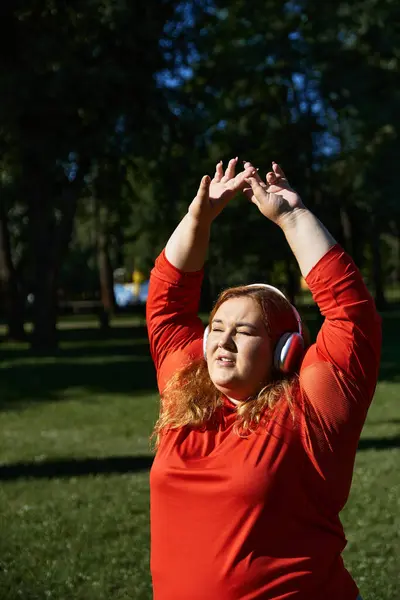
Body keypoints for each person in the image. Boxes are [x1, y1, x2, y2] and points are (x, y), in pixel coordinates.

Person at [146, 157, 381, 600]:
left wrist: (292, 217)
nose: (222, 341)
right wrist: (199, 217)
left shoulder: (310, 413)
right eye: (215, 327)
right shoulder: (184, 397)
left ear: (283, 349)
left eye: (244, 330)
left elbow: (352, 315)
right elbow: (167, 301)